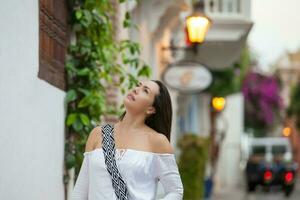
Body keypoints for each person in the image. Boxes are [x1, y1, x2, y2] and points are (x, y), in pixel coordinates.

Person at [71, 80, 184, 200]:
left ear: (151, 109)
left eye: (145, 91)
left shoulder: (157, 141)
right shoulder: (98, 134)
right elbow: (80, 191)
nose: (136, 89)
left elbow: (175, 191)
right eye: (138, 86)